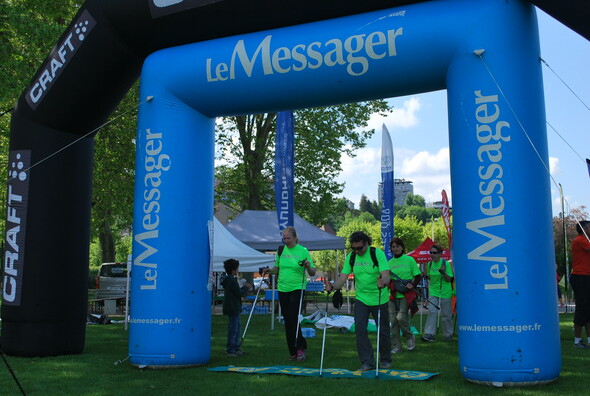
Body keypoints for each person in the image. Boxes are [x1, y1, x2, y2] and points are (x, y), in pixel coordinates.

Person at [326, 231, 391, 372]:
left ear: (366, 244)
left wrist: (383, 282)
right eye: (354, 248)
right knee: (360, 330)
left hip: (379, 298)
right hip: (361, 298)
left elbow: (386, 276)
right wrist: (332, 287)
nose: (357, 251)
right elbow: (342, 279)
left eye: (360, 248)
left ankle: (385, 359)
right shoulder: (352, 257)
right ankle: (367, 362)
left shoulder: (377, 254)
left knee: (383, 330)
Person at [264, 226, 316, 361]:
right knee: (287, 320)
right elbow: (277, 268)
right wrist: (269, 271)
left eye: (288, 238)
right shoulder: (281, 250)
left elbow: (312, 272)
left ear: (294, 238)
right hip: (283, 288)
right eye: (284, 238)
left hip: (297, 287)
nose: (286, 241)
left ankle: (300, 348)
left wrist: (308, 266)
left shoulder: (302, 250)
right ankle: (293, 351)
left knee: (293, 317)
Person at [387, 237, 421, 353]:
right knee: (393, 320)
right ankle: (397, 346)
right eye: (393, 247)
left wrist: (413, 285)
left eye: (397, 246)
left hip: (406, 295)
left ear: (402, 247)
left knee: (401, 318)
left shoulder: (409, 260)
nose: (395, 248)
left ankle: (409, 336)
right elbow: (387, 279)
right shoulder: (389, 263)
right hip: (392, 295)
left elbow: (418, 276)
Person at [421, 244, 454, 342]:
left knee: (446, 314)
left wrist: (443, 272)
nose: (432, 255)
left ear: (440, 254)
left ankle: (448, 334)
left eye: (434, 253)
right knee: (432, 311)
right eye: (430, 252)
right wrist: (425, 276)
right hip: (434, 291)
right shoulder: (430, 264)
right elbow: (431, 277)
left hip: (445, 291)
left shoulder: (445, 264)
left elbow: (449, 279)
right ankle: (429, 333)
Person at [221, 259, 251, 357]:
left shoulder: (230, 280)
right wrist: (246, 287)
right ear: (233, 269)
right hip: (233, 307)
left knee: (237, 328)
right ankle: (231, 349)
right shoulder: (231, 280)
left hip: (233, 306)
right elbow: (239, 293)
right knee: (234, 329)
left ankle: (235, 347)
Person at [570, 220, 590, 349]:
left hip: (586, 277)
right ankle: (577, 341)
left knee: (588, 309)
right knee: (582, 308)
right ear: (583, 229)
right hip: (581, 277)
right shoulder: (580, 240)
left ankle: (588, 340)